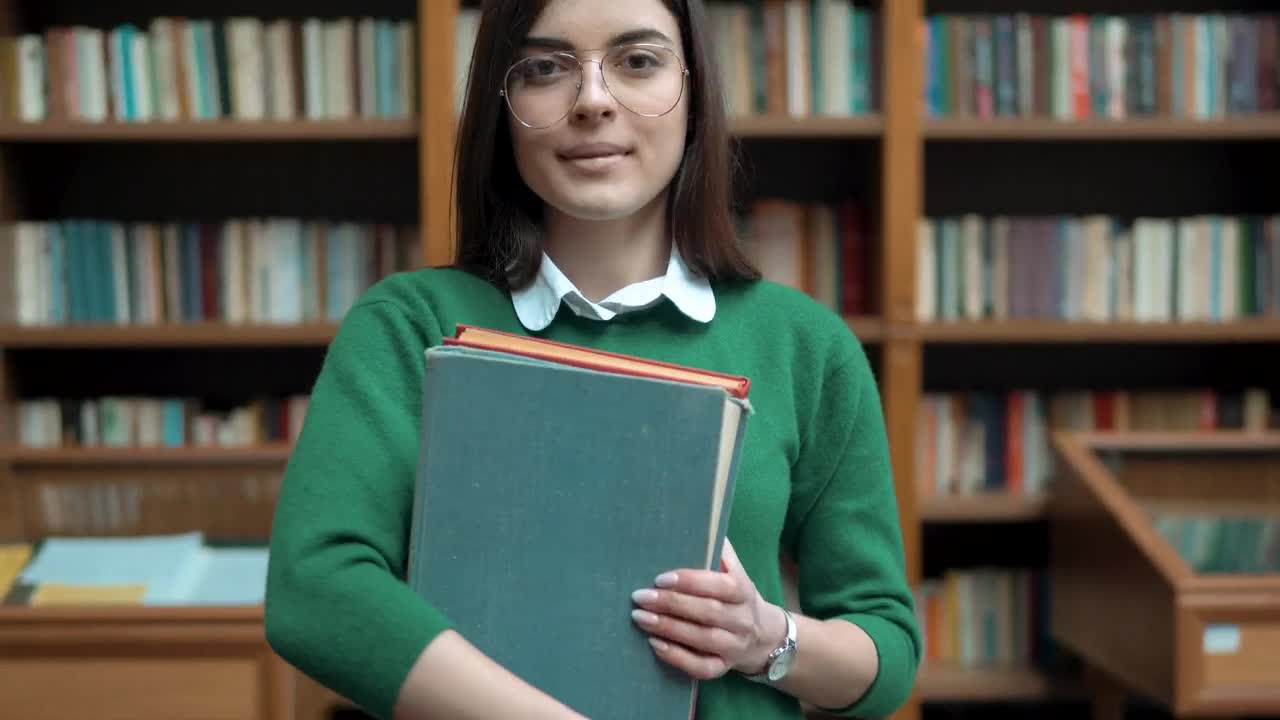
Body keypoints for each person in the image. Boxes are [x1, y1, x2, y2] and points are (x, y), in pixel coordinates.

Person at [264, 0, 921, 718]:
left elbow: (885, 651)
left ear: (693, 93)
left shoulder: (806, 346)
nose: (593, 102)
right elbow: (316, 589)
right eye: (546, 68)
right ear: (503, 104)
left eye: (638, 61)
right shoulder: (408, 325)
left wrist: (765, 638)